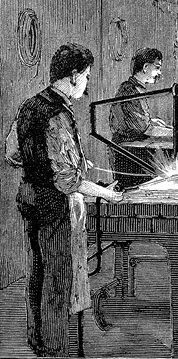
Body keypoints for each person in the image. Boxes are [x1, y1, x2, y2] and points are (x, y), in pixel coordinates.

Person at [5, 43, 122, 357]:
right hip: (53, 205)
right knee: (59, 277)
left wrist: (44, 163)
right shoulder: (59, 114)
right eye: (85, 76)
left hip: (29, 197)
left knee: (37, 272)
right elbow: (67, 180)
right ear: (73, 76)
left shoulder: (30, 105)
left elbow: (12, 152)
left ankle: (38, 339)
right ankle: (57, 347)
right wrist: (107, 193)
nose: (86, 83)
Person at [109, 48, 178, 186]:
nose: (159, 73)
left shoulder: (133, 88)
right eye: (157, 68)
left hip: (131, 148)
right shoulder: (130, 91)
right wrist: (177, 132)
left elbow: (132, 121)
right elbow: (146, 130)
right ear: (145, 67)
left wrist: (151, 121)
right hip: (128, 153)